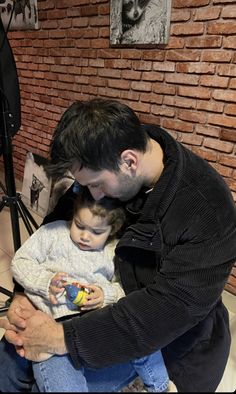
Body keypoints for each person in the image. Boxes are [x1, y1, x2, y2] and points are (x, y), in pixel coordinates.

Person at [0, 98, 236, 392]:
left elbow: (165, 311)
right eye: (84, 185)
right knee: (9, 361)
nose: (93, 196)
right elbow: (55, 229)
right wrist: (27, 295)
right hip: (87, 306)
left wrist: (62, 337)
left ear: (129, 162)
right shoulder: (108, 156)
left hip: (169, 339)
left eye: (97, 184)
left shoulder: (208, 210)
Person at [10, 187, 169, 393]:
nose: (85, 236)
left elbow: (126, 289)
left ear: (113, 230)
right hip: (51, 325)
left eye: (96, 232)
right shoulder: (53, 233)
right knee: (58, 378)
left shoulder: (115, 250)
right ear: (73, 215)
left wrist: (104, 295)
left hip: (96, 324)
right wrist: (45, 282)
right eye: (79, 225)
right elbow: (20, 262)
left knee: (142, 334)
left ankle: (161, 386)